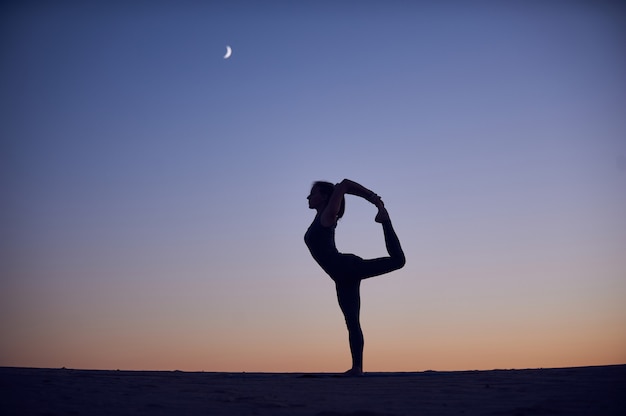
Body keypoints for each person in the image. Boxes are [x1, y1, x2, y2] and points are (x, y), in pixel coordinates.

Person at [304, 179, 406, 376]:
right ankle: (357, 368)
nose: (308, 197)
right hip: (341, 278)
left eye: (313, 192)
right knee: (352, 322)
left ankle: (384, 219)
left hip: (348, 267)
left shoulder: (328, 216)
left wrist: (373, 198)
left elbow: (343, 184)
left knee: (398, 261)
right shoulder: (320, 218)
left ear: (325, 197)